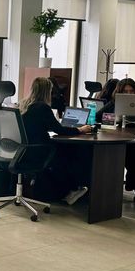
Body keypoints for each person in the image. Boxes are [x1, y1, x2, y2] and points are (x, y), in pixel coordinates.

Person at [20, 77, 92, 205]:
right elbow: (59, 129)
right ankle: (73, 189)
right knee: (74, 153)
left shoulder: (25, 105)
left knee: (65, 151)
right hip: (39, 151)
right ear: (48, 91)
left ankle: (65, 190)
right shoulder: (42, 107)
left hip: (26, 150)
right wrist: (80, 130)